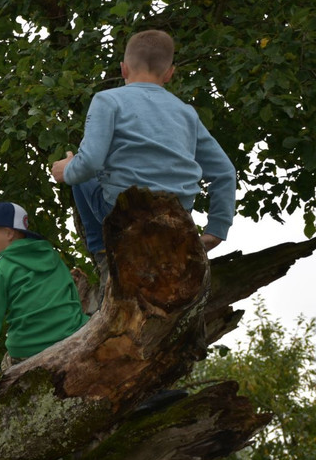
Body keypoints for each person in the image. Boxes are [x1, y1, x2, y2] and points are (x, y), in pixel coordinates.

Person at [50, 29, 236, 279]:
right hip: (177, 220)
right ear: (169, 73)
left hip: (126, 215)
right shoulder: (186, 113)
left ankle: (104, 254)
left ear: (123, 69)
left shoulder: (107, 100)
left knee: (79, 171)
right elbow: (225, 172)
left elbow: (91, 162)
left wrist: (66, 170)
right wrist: (216, 230)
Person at [0, 202, 88, 404]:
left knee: (5, 365)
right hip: (71, 336)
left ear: (9, 233)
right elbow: (72, 297)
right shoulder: (51, 255)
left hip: (30, 350)